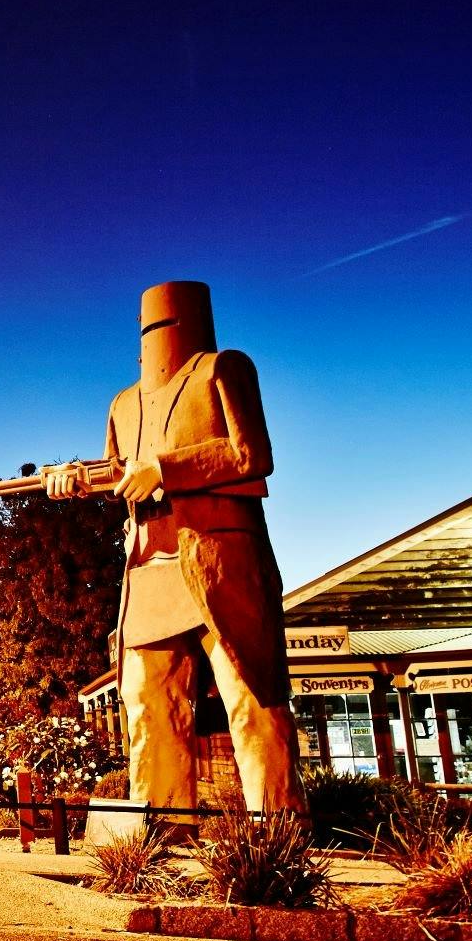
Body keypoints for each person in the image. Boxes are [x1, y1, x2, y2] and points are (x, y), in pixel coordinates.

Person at [47, 281, 303, 815]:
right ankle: (161, 835)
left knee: (254, 702)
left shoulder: (223, 369)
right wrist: (75, 479)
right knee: (146, 707)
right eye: (147, 332)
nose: (153, 343)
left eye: (161, 327)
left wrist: (166, 469)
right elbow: (117, 476)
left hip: (220, 563)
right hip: (148, 573)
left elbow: (250, 454)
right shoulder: (122, 404)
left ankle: (279, 838)